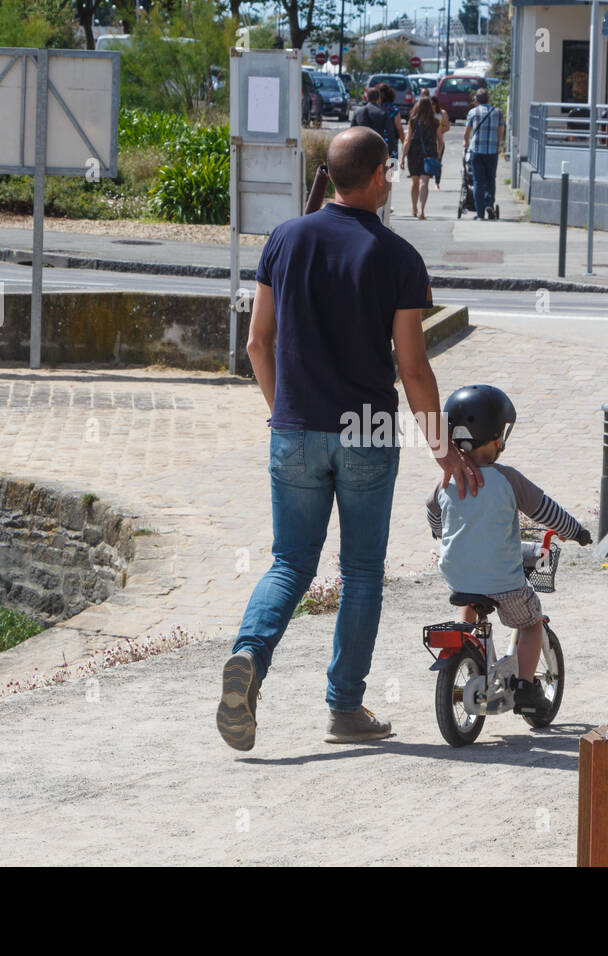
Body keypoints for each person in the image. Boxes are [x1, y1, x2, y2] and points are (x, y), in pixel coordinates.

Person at [217, 126, 484, 752]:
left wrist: (283, 411)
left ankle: (248, 659)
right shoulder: (396, 256)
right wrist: (444, 449)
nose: (390, 181)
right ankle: (343, 707)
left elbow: (257, 343)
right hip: (367, 432)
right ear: (373, 176)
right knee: (361, 571)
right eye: (387, 171)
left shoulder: (284, 239)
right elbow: (413, 367)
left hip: (295, 430)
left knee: (290, 563)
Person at [425, 385, 592, 719]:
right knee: (530, 621)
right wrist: (576, 531)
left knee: (472, 597)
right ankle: (527, 687)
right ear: (493, 438)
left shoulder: (446, 479)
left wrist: (440, 532)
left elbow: (433, 513)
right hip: (504, 581)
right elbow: (547, 512)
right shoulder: (508, 480)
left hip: (457, 575)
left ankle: (470, 643)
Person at [463, 89, 505, 220]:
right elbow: (501, 131)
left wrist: (465, 142)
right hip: (492, 152)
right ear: (489, 99)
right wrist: (498, 145)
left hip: (476, 151)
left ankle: (480, 214)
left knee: (478, 182)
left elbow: (467, 132)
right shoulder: (497, 112)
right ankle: (489, 204)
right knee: (490, 180)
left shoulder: (473, 112)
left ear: (477, 100)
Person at [401, 97, 438, 219]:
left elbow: (407, 140)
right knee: (424, 181)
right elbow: (441, 141)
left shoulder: (412, 121)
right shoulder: (435, 122)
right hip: (429, 153)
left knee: (415, 181)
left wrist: (402, 157)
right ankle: (422, 210)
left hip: (414, 153)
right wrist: (438, 153)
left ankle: (414, 208)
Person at [430, 95, 448, 189]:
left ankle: (437, 183)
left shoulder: (442, 113)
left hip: (439, 141)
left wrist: (439, 131)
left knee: (438, 161)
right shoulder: (426, 113)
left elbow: (447, 127)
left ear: (436, 104)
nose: (431, 106)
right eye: (429, 104)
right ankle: (425, 179)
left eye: (432, 104)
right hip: (428, 141)